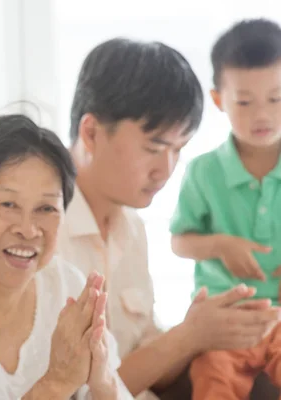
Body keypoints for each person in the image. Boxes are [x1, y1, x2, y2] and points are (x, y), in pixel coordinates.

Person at [56, 37, 281, 399]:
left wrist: (202, 330)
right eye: (154, 148)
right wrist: (189, 336)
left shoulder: (131, 227)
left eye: (178, 150)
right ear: (92, 133)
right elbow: (76, 392)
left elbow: (150, 368)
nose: (167, 169)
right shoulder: (42, 233)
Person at [0, 114, 133, 399]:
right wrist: (57, 383)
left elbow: (113, 390)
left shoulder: (66, 288)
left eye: (46, 208)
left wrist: (101, 380)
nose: (28, 230)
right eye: (8, 204)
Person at [170, 19, 281, 399]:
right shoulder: (203, 171)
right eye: (245, 102)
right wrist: (220, 245)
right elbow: (179, 242)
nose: (262, 115)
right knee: (212, 379)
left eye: (276, 98)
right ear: (220, 100)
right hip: (225, 319)